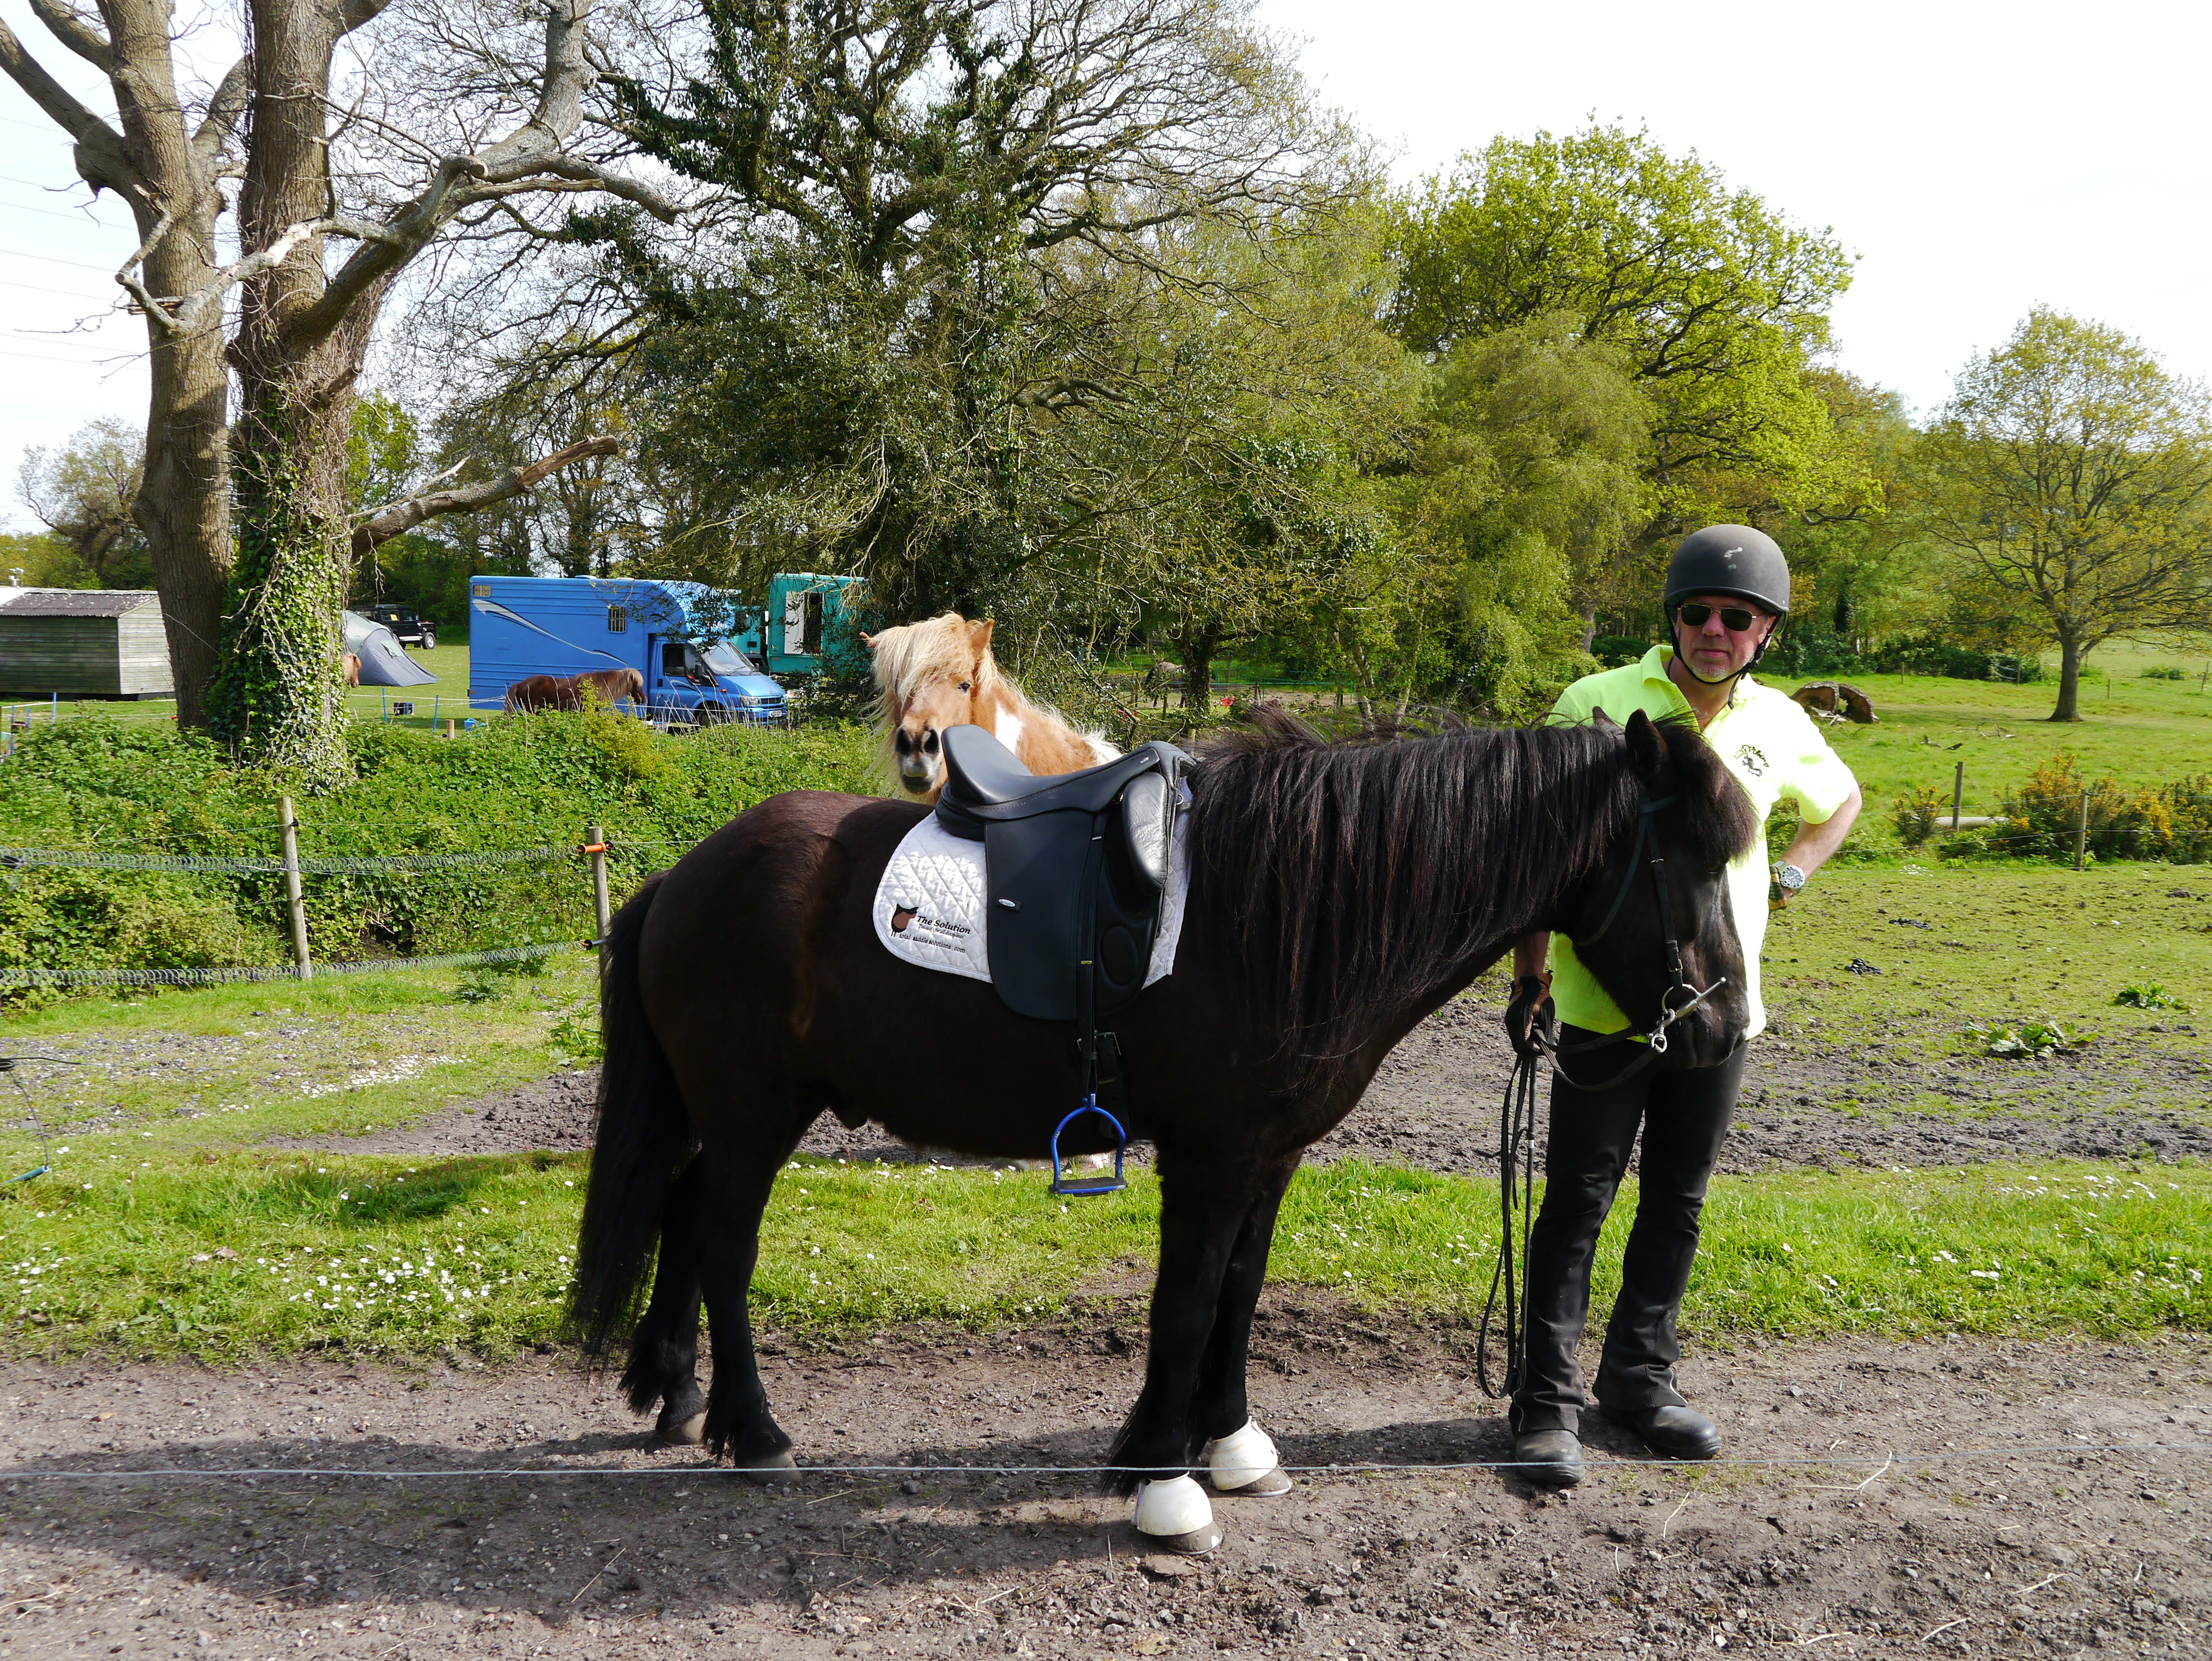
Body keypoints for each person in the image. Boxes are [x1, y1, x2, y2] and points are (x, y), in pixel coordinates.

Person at [1503, 525, 1863, 1488]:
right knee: (1576, 1204)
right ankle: (1545, 1404)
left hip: (1719, 1011)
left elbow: (1840, 800)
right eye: (1697, 612)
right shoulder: (1594, 704)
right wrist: (1530, 973)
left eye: (1736, 617)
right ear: (1673, 618)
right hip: (1602, 1003)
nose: (1714, 629)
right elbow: (1537, 850)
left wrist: (1792, 872)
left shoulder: (1780, 724)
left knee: (1677, 1198)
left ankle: (1639, 1380)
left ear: (1765, 633)